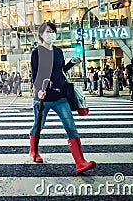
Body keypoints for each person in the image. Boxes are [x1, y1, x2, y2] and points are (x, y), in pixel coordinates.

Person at [30, 22, 96, 173]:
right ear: (41, 35)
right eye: (47, 31)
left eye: (53, 31)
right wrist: (39, 90)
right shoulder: (36, 52)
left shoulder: (59, 52)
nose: (51, 34)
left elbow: (61, 71)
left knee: (71, 127)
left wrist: (71, 63)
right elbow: (35, 74)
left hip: (60, 96)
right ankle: (34, 151)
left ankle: (80, 162)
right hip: (43, 96)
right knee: (38, 126)